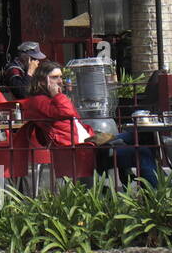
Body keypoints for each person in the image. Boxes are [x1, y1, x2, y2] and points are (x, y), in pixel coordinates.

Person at [21, 61, 157, 185]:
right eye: (55, 77)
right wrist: (57, 95)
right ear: (43, 81)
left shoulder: (53, 99)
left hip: (90, 141)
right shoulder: (39, 101)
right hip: (80, 150)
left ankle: (130, 175)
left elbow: (75, 120)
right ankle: (152, 194)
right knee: (142, 152)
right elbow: (66, 113)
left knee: (140, 135)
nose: (60, 81)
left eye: (61, 77)